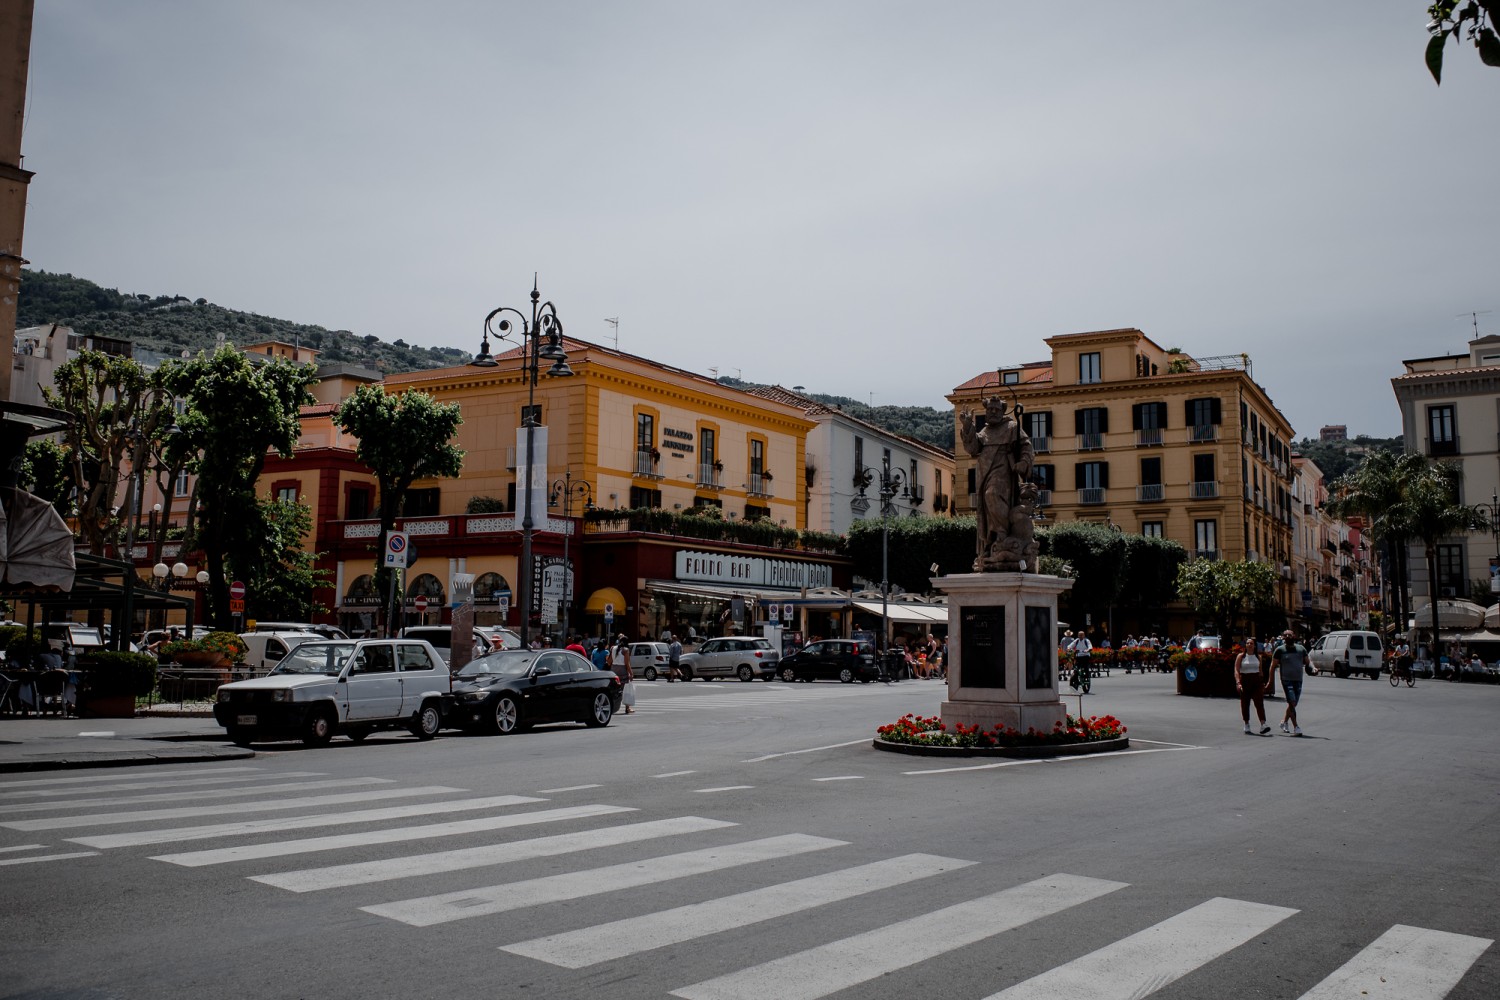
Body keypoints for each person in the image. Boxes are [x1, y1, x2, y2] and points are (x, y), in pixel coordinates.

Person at [1271, 629, 1308, 735]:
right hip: (1286, 680)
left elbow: (1308, 662)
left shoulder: (1301, 649)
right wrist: (1270, 680)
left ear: (1294, 636)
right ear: (1283, 637)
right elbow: (1273, 666)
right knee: (1292, 702)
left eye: (1289, 634)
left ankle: (1284, 722)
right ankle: (1296, 727)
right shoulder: (1279, 650)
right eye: (1285, 635)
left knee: (1293, 703)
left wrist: (1313, 668)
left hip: (1298, 680)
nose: (1287, 636)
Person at [1236, 637, 1271, 735]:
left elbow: (1260, 671)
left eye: (1251, 643)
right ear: (1245, 645)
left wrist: (1262, 683)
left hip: (1256, 680)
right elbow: (1236, 670)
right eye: (1248, 643)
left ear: (1254, 645)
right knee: (1245, 703)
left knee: (1259, 702)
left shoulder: (1258, 657)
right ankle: (1246, 723)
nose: (1249, 645)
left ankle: (1263, 724)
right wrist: (1238, 682)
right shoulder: (1241, 656)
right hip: (1245, 680)